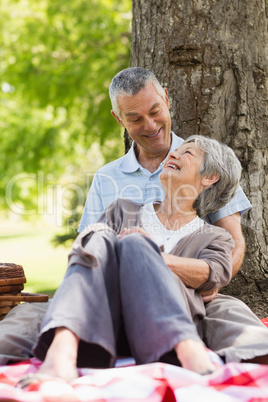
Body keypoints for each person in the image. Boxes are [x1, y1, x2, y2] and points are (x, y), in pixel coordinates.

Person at [0, 67, 266, 366]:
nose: (150, 125)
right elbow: (88, 248)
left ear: (166, 98)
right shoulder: (109, 182)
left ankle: (238, 361)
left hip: (186, 293)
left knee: (230, 312)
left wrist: (208, 280)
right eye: (135, 118)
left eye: (154, 111)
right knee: (29, 313)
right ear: (119, 119)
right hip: (111, 292)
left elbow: (231, 244)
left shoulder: (207, 165)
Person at [17, 135, 240, 385]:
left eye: (187, 153)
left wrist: (151, 254)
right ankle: (61, 355)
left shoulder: (215, 236)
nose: (173, 154)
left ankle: (189, 350)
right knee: (98, 236)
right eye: (176, 150)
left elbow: (214, 274)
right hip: (105, 324)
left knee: (134, 242)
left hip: (159, 332)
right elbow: (88, 256)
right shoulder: (122, 209)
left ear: (209, 177)